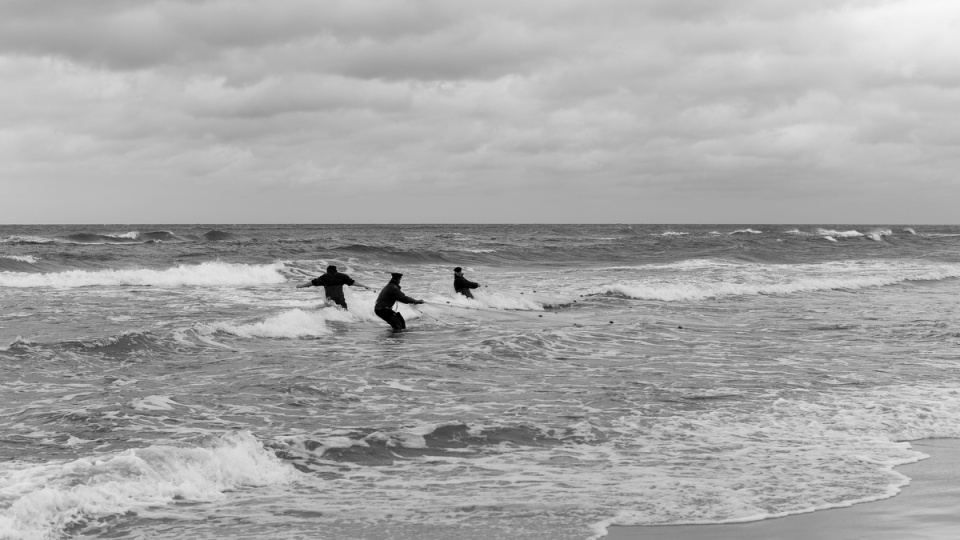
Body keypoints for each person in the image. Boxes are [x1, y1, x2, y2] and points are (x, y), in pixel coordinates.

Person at [296, 265, 372, 309]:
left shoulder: (325, 277)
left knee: (331, 313)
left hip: (330, 300)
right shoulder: (342, 276)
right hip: (340, 299)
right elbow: (353, 282)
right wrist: (364, 286)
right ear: (336, 270)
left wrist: (301, 286)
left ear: (327, 271)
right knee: (344, 314)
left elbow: (312, 283)